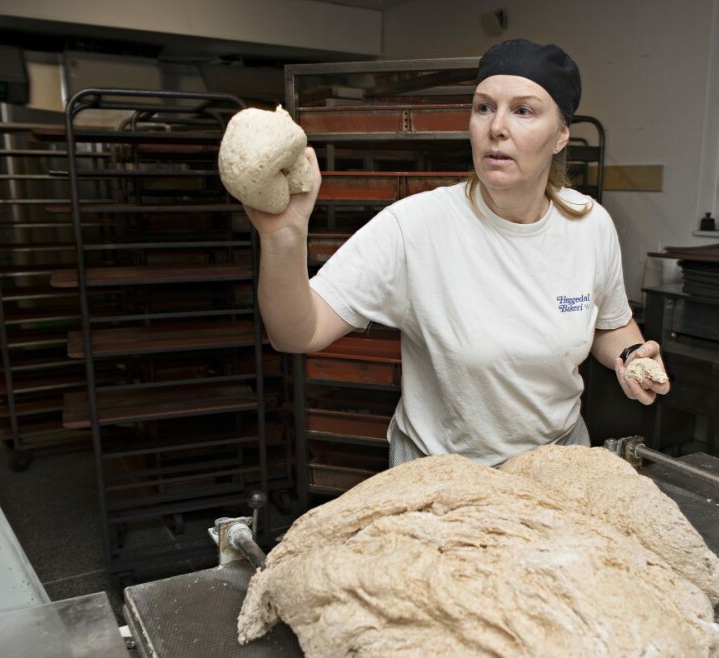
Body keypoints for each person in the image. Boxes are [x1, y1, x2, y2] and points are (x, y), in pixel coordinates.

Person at [245, 38, 669, 468]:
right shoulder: (416, 226)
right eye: (484, 107)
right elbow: (297, 333)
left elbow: (608, 323)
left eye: (523, 111)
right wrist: (283, 237)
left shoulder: (588, 223)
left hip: (556, 463)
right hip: (442, 470)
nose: (496, 127)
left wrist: (631, 354)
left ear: (561, 135)